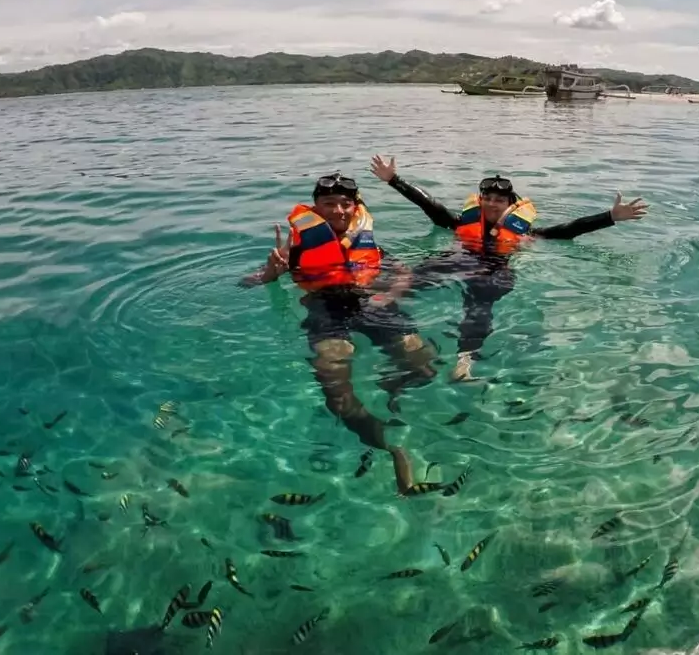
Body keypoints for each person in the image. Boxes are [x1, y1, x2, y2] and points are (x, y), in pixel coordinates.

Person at [240, 172, 437, 494]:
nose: (338, 211)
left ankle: (393, 381)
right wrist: (271, 274)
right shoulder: (296, 248)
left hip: (372, 306)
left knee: (425, 365)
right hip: (326, 311)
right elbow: (249, 281)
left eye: (346, 204)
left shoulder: (367, 242)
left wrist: (392, 294)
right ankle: (389, 446)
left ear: (356, 206)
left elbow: (403, 273)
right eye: (329, 204)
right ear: (316, 208)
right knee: (338, 394)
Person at [368, 155, 648, 381]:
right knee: (414, 276)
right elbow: (429, 204)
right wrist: (394, 180)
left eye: (499, 200)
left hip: (493, 271)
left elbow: (567, 230)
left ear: (510, 205)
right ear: (480, 200)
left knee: (479, 305)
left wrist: (610, 216)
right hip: (458, 259)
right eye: (487, 198)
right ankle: (383, 308)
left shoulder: (525, 233)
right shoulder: (460, 223)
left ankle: (465, 360)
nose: (492, 203)